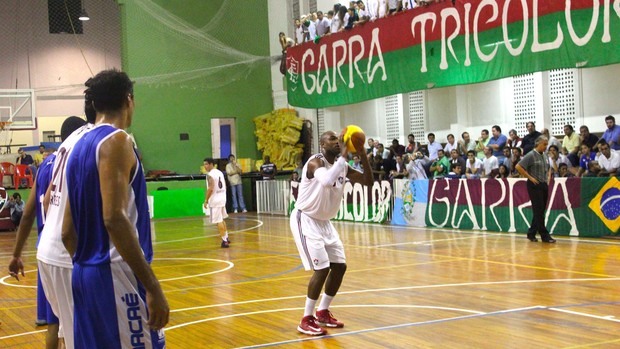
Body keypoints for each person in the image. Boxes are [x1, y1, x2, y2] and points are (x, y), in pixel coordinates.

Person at [61, 69, 168, 348]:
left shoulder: (76, 147)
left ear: (94, 104)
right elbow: (114, 218)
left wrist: (91, 268)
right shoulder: (118, 141)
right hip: (118, 276)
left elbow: (66, 232)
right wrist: (152, 286)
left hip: (84, 273)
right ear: (129, 100)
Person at [8, 116, 88, 349]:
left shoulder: (45, 165)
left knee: (56, 323)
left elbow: (29, 212)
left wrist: (16, 253)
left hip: (44, 251)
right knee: (79, 325)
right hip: (66, 251)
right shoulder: (75, 159)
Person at [290, 130, 372, 336]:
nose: (337, 142)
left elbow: (368, 181)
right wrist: (345, 154)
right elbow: (326, 180)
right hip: (305, 219)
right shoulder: (314, 162)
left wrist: (362, 155)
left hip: (325, 222)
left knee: (339, 266)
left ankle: (323, 311)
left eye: (338, 139)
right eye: (332, 139)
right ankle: (306, 318)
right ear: (322, 144)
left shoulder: (342, 165)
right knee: (322, 269)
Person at [516, 135, 556, 243]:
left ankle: (531, 233)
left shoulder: (545, 155)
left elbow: (548, 168)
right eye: (544, 144)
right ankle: (544, 235)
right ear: (538, 144)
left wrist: (548, 177)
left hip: (543, 184)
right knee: (538, 210)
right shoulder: (530, 155)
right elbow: (518, 166)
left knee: (540, 210)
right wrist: (529, 177)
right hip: (534, 185)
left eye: (546, 144)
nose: (546, 147)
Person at [203, 158, 231, 248]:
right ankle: (226, 237)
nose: (205, 166)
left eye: (206, 164)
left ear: (211, 164)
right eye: (204, 164)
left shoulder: (210, 175)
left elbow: (210, 188)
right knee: (221, 219)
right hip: (222, 198)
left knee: (218, 220)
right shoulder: (220, 172)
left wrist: (206, 200)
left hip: (215, 199)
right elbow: (225, 185)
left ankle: (224, 240)